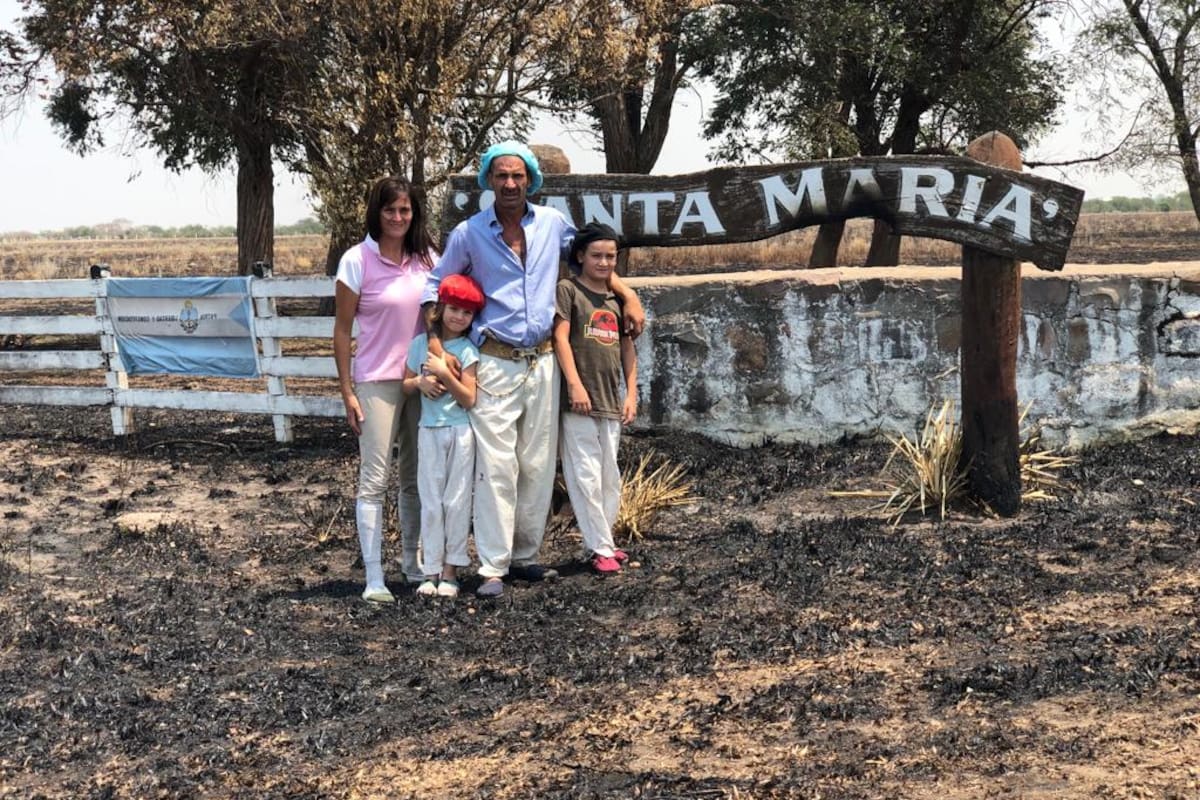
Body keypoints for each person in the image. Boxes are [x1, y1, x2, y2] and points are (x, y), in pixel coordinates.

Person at [422, 140, 645, 598]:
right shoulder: (469, 233)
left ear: (531, 181)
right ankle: (493, 566)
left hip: (544, 362)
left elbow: (591, 256)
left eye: (518, 175)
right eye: (501, 175)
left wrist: (628, 294)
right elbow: (434, 285)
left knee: (537, 465)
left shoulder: (551, 223)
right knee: (496, 466)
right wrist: (435, 341)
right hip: (494, 362)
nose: (509, 183)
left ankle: (525, 557)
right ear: (488, 180)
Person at [334, 175, 435, 603]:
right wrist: (347, 391)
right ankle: (374, 578)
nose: (397, 217)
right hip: (376, 381)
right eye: (390, 209)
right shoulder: (356, 260)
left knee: (416, 477)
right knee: (374, 480)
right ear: (376, 213)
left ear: (414, 213)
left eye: (404, 210)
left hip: (422, 379)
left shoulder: (428, 257)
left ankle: (413, 566)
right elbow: (342, 331)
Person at [553, 223, 637, 573]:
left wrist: (631, 393)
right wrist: (574, 384)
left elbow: (627, 349)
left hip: (609, 400)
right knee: (584, 474)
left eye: (610, 257)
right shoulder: (568, 290)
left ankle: (605, 541)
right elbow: (560, 338)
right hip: (579, 402)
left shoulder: (618, 301)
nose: (604, 263)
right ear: (580, 256)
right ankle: (600, 548)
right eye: (596, 256)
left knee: (608, 476)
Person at [403, 274, 484, 600]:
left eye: (467, 313)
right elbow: (405, 384)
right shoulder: (419, 345)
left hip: (460, 431)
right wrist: (420, 383)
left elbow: (469, 398)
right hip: (429, 430)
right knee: (431, 501)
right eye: (454, 309)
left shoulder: (468, 351)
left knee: (457, 501)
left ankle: (451, 570)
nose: (459, 317)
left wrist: (444, 374)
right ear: (440, 309)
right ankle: (431, 570)